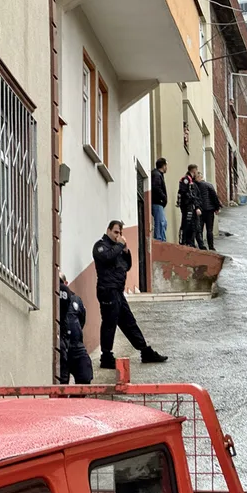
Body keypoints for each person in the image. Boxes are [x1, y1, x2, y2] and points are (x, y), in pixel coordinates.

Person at [93, 220, 168, 369]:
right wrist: (119, 246)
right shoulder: (101, 246)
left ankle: (145, 351)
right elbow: (107, 257)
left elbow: (126, 266)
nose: (118, 235)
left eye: (120, 233)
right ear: (108, 230)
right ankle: (106, 357)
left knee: (129, 322)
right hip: (107, 290)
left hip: (118, 291)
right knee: (109, 323)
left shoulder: (117, 247)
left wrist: (126, 252)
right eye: (116, 232)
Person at [59, 273, 93, 384]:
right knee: (62, 383)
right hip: (61, 346)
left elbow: (82, 320)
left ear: (66, 283)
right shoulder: (53, 299)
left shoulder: (76, 300)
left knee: (85, 376)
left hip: (76, 346)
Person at [177, 164, 203, 248]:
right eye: (196, 170)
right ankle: (184, 242)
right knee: (186, 223)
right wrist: (191, 199)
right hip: (187, 205)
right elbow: (184, 192)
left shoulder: (190, 180)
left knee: (191, 225)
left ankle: (189, 242)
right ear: (194, 170)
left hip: (189, 205)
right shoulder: (186, 179)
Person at [196, 172, 221, 251]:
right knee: (209, 229)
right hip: (209, 210)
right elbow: (214, 197)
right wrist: (217, 208)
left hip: (200, 210)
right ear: (202, 177)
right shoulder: (208, 185)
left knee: (200, 229)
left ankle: (201, 246)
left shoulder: (195, 186)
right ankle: (211, 246)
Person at [150, 158, 168, 241]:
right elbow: (156, 187)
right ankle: (160, 240)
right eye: (166, 165)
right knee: (160, 223)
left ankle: (161, 239)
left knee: (163, 222)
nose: (167, 167)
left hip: (158, 203)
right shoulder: (157, 175)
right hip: (157, 202)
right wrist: (163, 197)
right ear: (163, 166)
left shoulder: (157, 174)